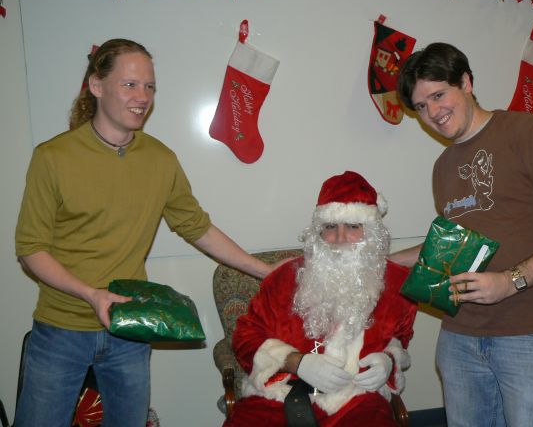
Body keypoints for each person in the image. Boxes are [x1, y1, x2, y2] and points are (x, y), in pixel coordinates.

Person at [14, 38, 282, 427]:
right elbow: (30, 249)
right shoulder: (52, 158)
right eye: (130, 85)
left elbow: (197, 227)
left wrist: (264, 271)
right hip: (61, 330)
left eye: (150, 86)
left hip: (130, 330)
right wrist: (90, 294)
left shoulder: (161, 159)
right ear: (96, 85)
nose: (143, 97)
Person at [391, 42, 533, 427]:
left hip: (532, 335)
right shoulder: (443, 166)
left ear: (466, 82)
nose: (432, 112)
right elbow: (452, 241)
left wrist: (511, 281)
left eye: (438, 94)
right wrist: (385, 258)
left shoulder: (531, 131)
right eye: (420, 106)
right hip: (459, 339)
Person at [225, 171, 417, 426]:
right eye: (330, 227)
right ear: (318, 232)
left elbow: (399, 340)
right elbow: (245, 337)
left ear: (371, 232)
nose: (339, 239)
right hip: (280, 394)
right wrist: (296, 362)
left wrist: (389, 361)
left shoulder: (399, 285)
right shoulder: (284, 278)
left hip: (356, 399)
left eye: (352, 226)